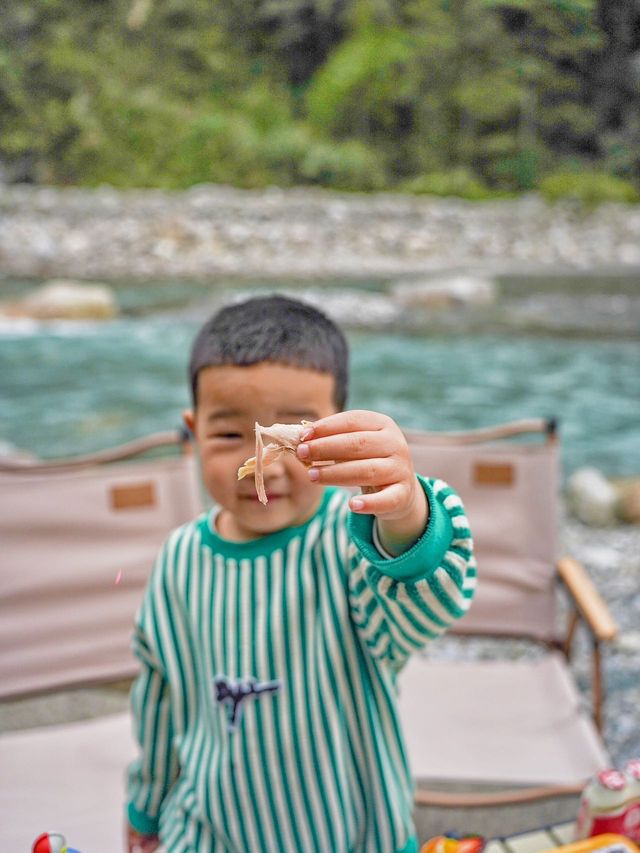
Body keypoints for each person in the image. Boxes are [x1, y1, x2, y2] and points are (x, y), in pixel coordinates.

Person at [126, 295, 476, 853]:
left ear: (339, 432)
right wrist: (146, 805)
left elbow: (423, 607)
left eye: (294, 437)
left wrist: (404, 510)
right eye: (228, 435)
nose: (264, 460)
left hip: (352, 834)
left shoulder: (352, 543)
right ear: (192, 432)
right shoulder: (177, 561)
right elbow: (161, 698)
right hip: (206, 833)